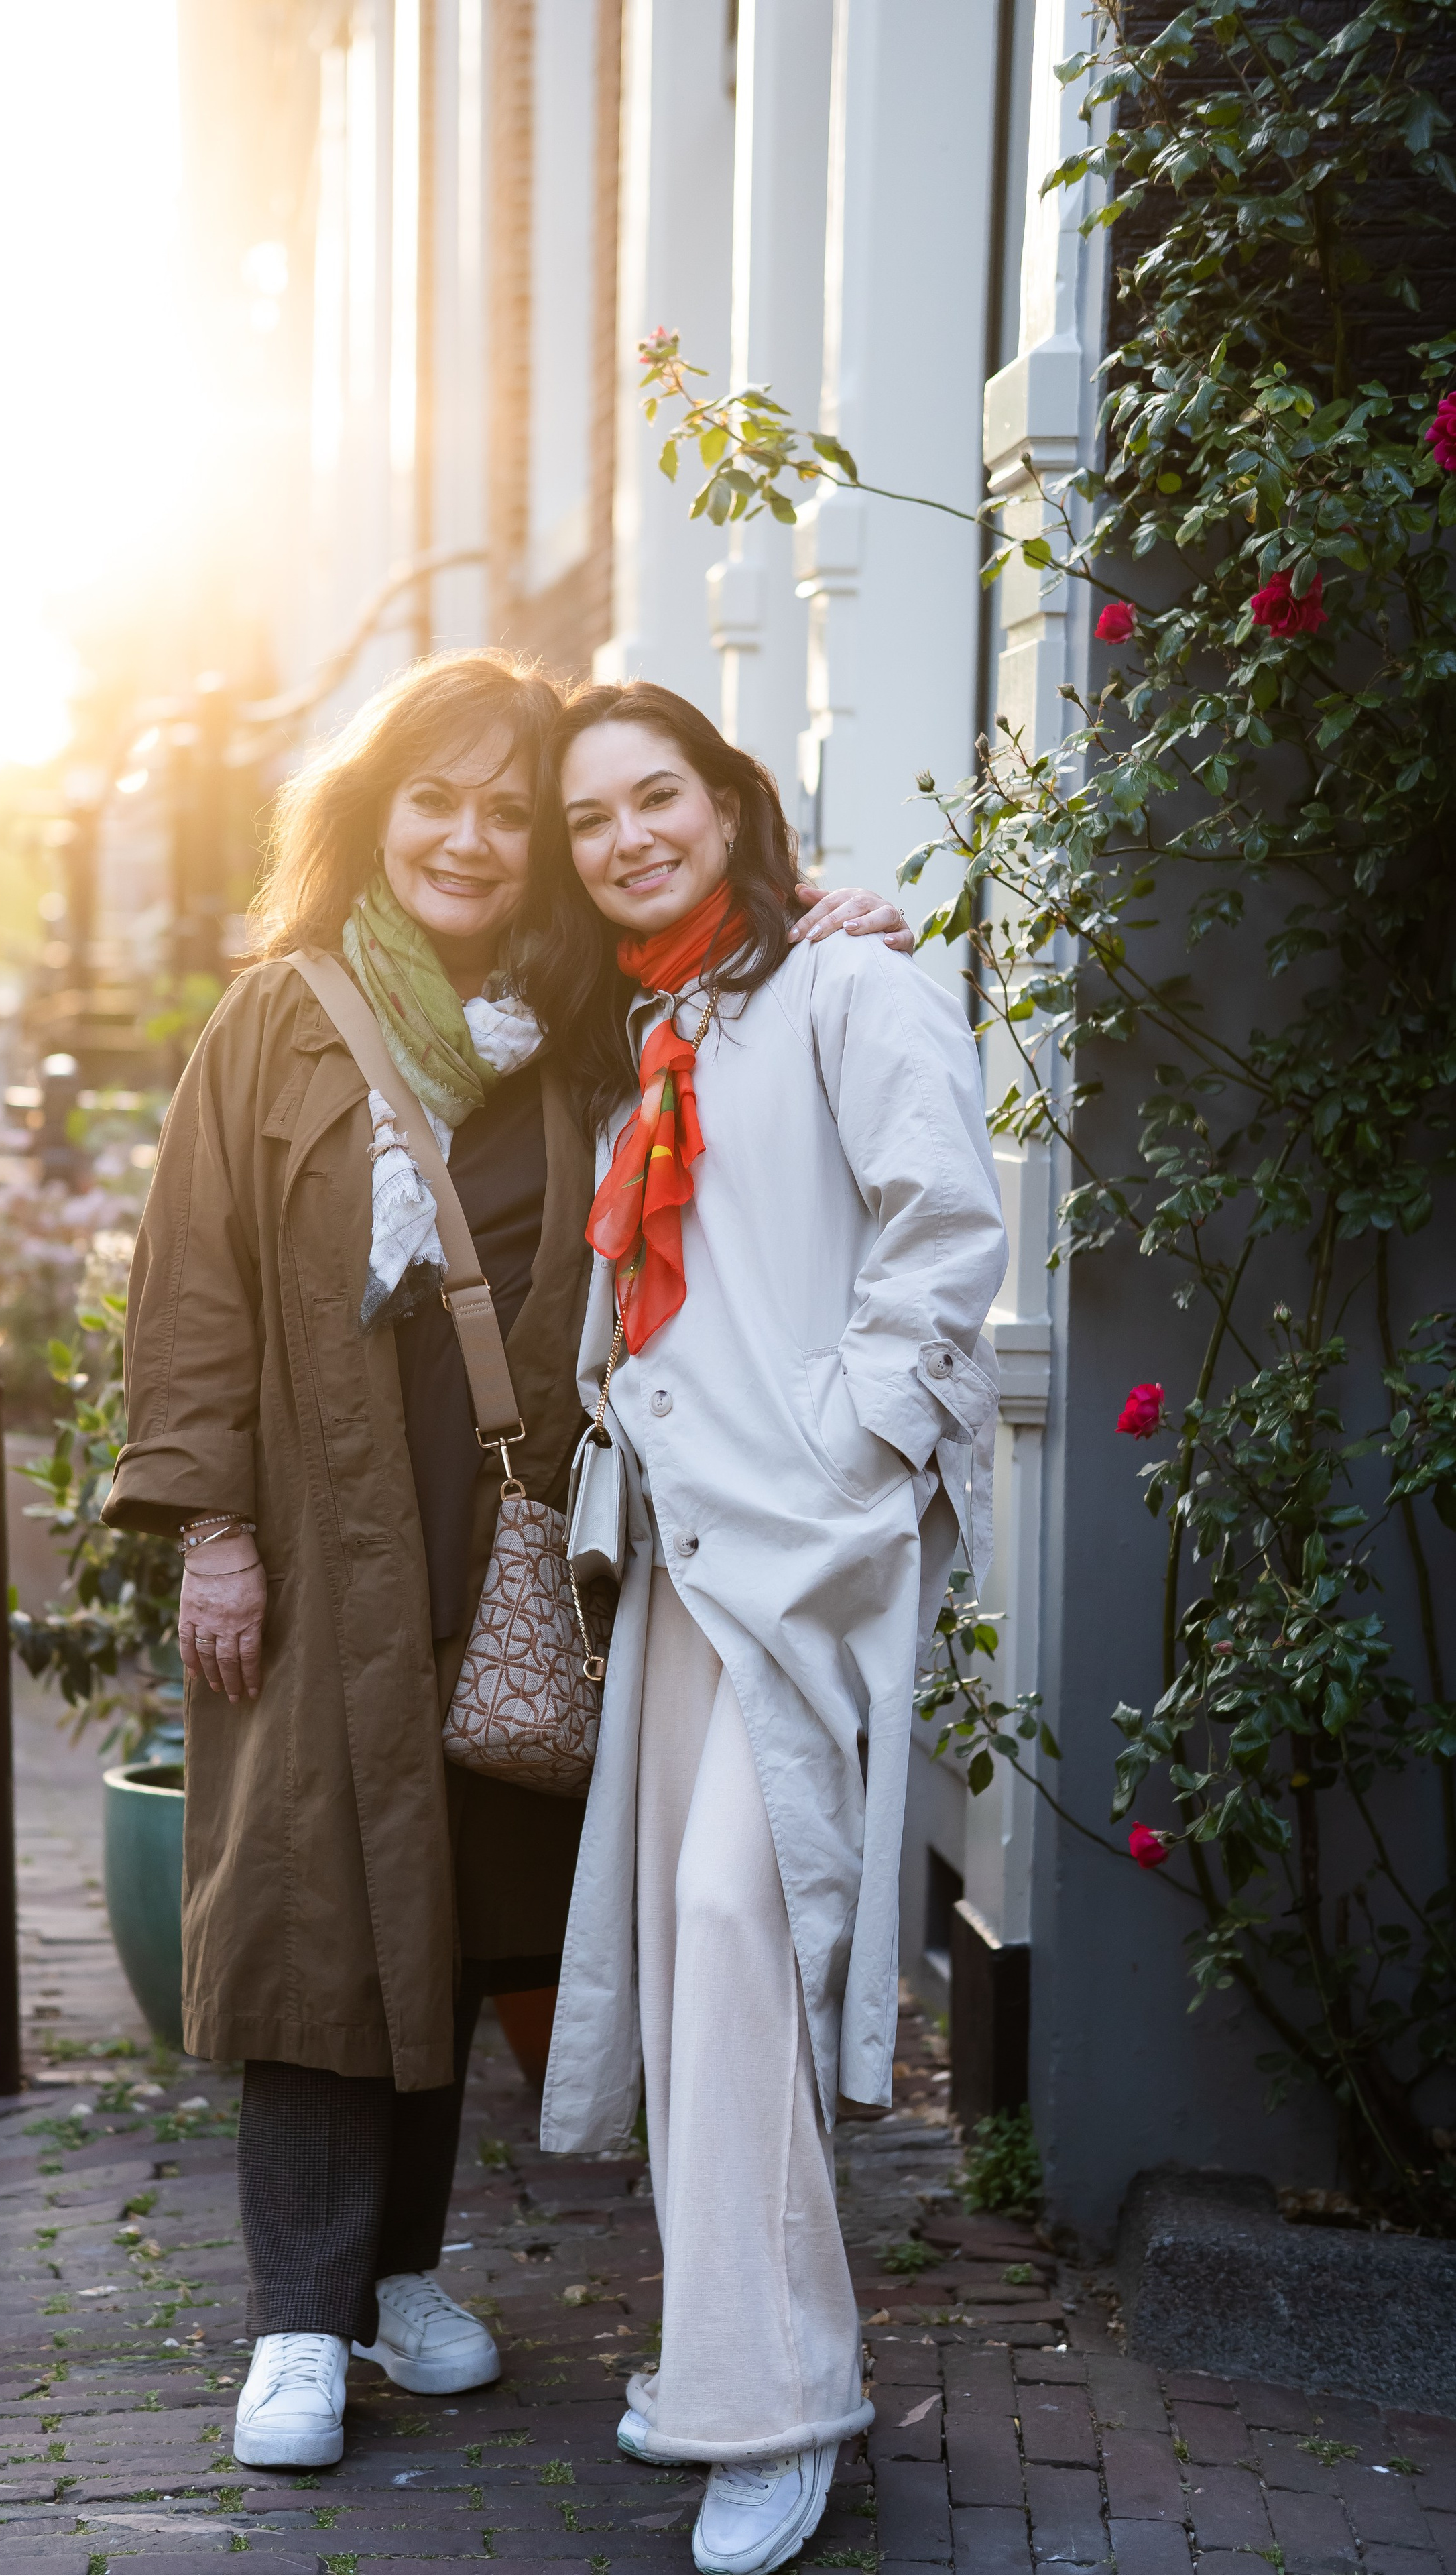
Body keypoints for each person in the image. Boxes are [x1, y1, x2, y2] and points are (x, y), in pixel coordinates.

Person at [102, 647, 915, 2476]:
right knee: (323, 1905)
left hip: (529, 1543)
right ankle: (300, 2322)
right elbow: (196, 1284)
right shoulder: (280, 1022)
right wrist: (213, 1531)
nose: (469, 838)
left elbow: (747, 1002)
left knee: (455, 1903)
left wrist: (837, 909)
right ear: (374, 816)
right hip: (323, 1541)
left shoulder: (590, 1023)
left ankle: (394, 2276)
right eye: (433, 799)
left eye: (501, 807)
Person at [518, 681, 1009, 2575]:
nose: (630, 834)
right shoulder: (647, 1020)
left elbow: (945, 1227)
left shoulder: (850, 982)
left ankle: (777, 2407)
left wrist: (861, 1444)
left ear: (728, 802)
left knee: (738, 1918)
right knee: (690, 1960)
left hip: (800, 1546)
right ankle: (733, 2358)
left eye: (660, 797)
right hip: (679, 1551)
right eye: (593, 819)